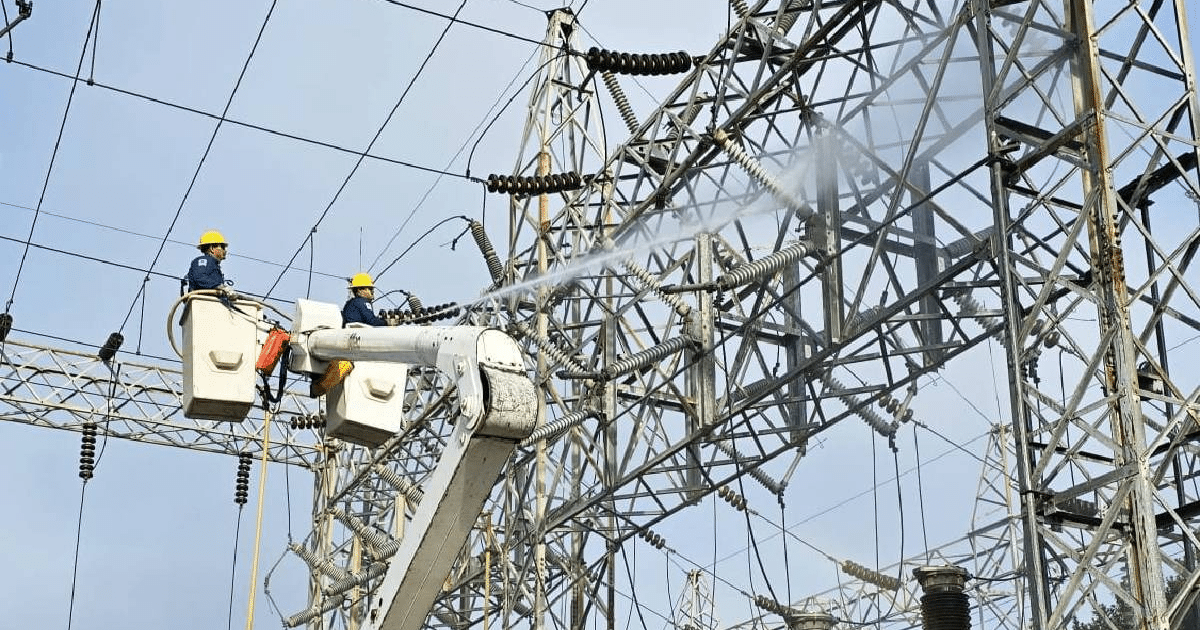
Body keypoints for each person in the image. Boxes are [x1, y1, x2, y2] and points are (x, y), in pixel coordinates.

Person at [186, 230, 237, 297]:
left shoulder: (213, 264)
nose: (225, 250)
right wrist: (221, 287)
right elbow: (200, 277)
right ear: (212, 248)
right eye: (222, 247)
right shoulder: (204, 260)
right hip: (203, 301)